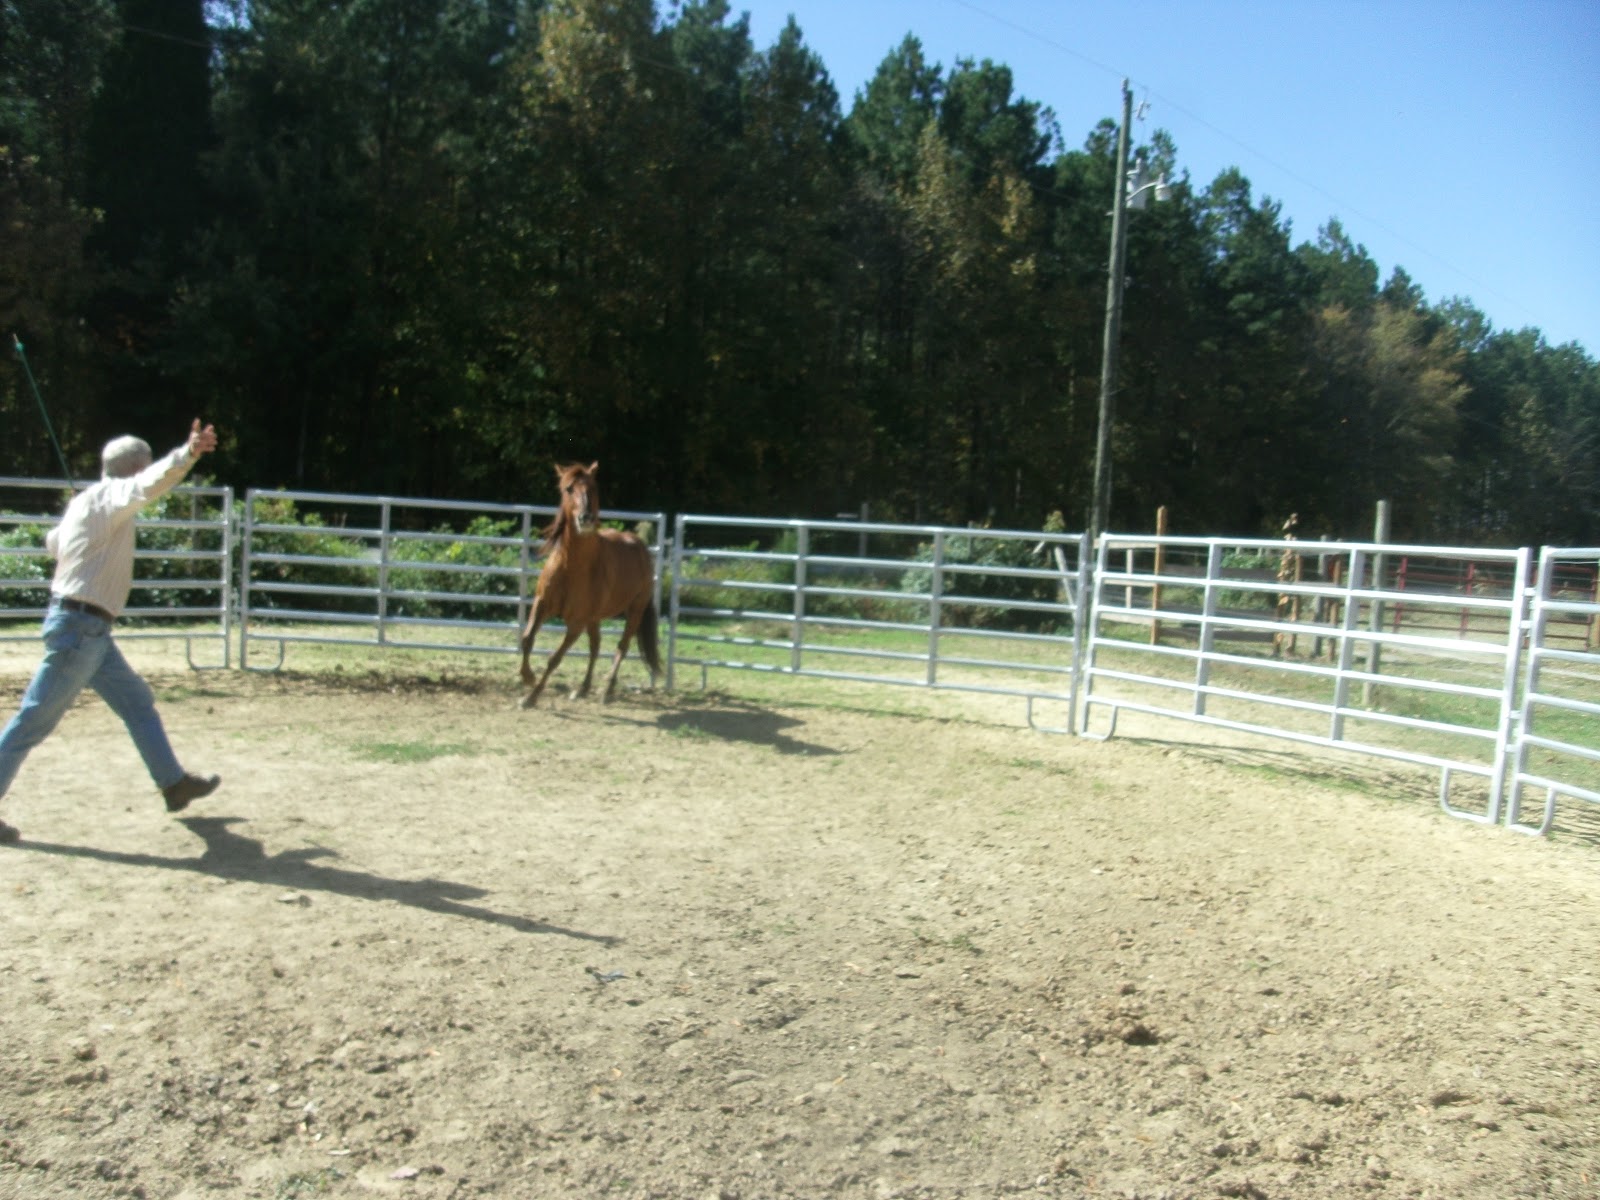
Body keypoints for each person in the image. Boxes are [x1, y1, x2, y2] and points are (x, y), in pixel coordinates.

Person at [0, 419, 222, 845]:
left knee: (137, 703)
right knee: (32, 721)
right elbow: (151, 484)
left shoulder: (88, 503)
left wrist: (76, 520)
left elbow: (54, 544)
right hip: (81, 629)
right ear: (137, 467)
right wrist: (188, 454)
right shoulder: (112, 496)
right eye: (146, 465)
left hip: (88, 630)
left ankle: (173, 785)